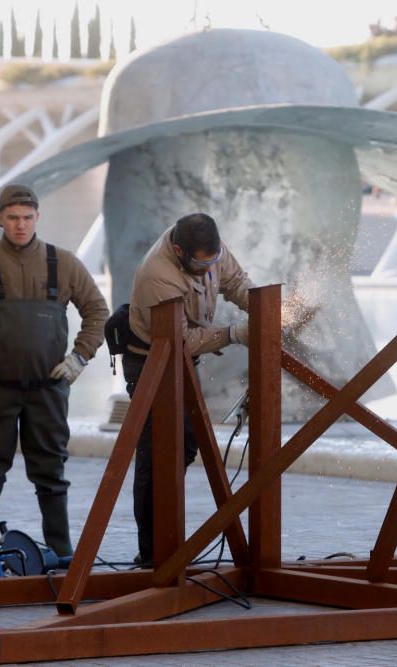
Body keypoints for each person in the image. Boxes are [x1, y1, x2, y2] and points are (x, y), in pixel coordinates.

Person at [0, 184, 108, 558]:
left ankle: (61, 553)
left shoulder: (64, 262)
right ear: (0, 219)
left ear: (37, 218)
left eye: (27, 218)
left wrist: (79, 357)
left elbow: (97, 312)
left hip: (49, 388)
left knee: (51, 473)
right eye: (12, 218)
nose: (20, 225)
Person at [125, 212, 254, 566]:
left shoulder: (209, 248)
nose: (208, 267)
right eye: (201, 264)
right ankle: (154, 553)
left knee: (184, 444)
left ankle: (168, 534)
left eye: (212, 260)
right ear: (179, 251)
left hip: (183, 359)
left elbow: (236, 281)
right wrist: (234, 333)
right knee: (156, 454)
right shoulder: (158, 276)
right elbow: (180, 339)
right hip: (151, 362)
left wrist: (261, 307)